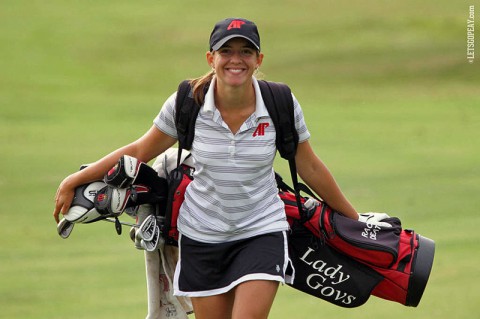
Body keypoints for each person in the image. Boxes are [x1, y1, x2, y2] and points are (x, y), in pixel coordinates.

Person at [53, 17, 359, 319]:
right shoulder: (188, 102)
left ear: (258, 59)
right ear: (211, 58)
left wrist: (354, 221)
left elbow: (310, 168)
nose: (235, 60)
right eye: (226, 52)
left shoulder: (280, 102)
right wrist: (74, 180)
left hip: (261, 230)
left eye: (245, 52)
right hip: (201, 236)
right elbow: (138, 151)